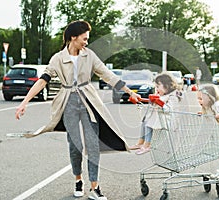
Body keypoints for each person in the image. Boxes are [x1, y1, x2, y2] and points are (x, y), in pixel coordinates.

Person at [15, 20, 140, 200]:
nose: (86, 42)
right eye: (84, 38)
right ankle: (78, 180)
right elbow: (42, 80)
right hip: (68, 102)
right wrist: (24, 102)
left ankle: (95, 187)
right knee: (75, 147)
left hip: (88, 100)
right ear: (73, 37)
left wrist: (129, 92)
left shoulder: (89, 56)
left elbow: (108, 75)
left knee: (92, 144)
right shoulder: (57, 58)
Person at [129, 72, 183, 155]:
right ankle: (140, 143)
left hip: (167, 119)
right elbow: (153, 102)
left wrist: (159, 103)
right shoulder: (163, 94)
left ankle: (147, 145)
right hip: (159, 117)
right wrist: (140, 100)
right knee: (145, 121)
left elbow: (170, 109)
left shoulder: (173, 97)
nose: (156, 89)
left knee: (148, 123)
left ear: (167, 86)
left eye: (158, 86)